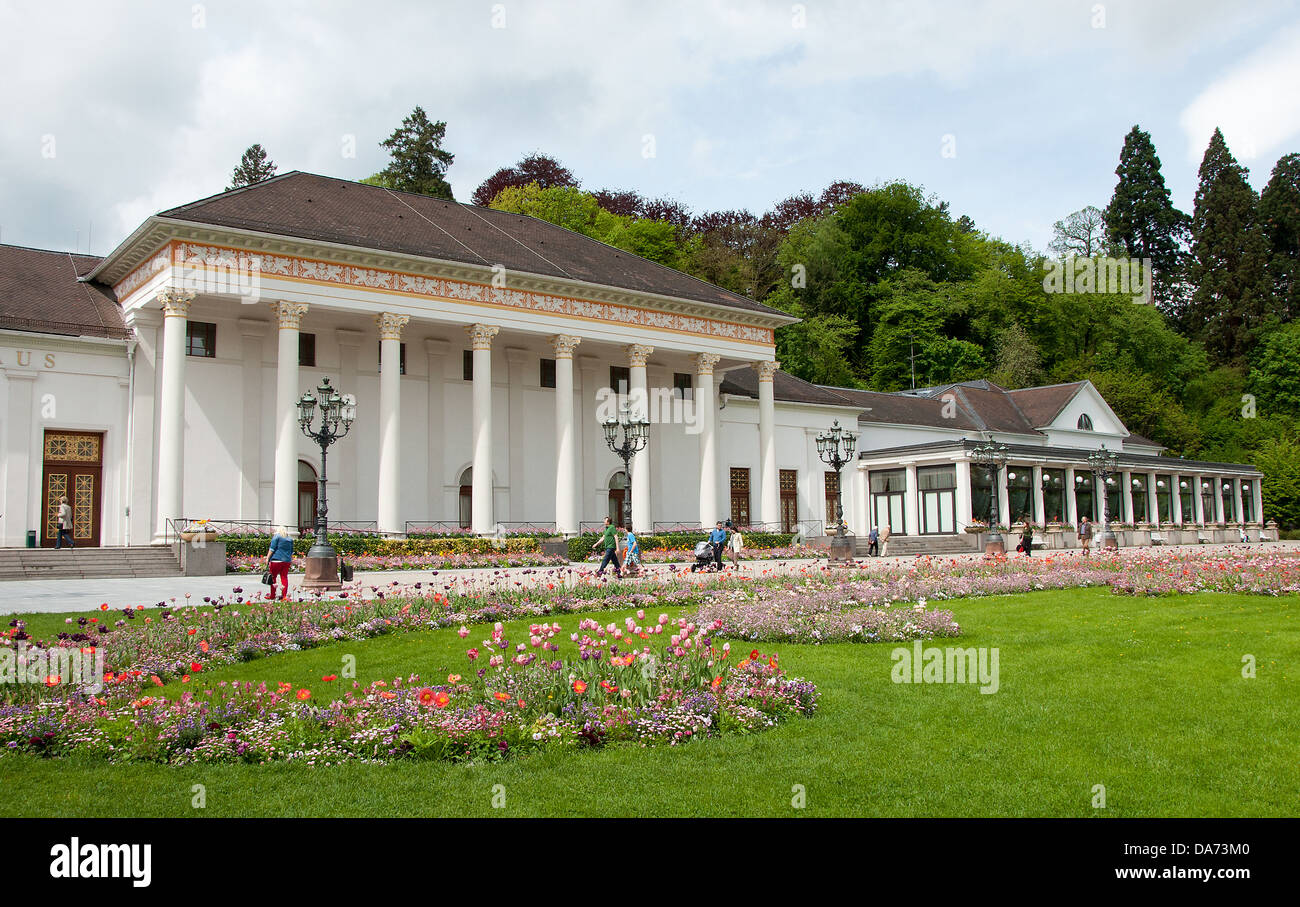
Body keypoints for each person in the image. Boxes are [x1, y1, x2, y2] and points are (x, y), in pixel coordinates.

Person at [267, 526, 294, 600]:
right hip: (286, 561)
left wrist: (267, 558)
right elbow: (291, 551)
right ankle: (284, 596)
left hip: (276, 560)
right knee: (284, 577)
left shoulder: (276, 537)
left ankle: (272, 595)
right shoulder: (290, 539)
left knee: (273, 578)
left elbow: (272, 549)